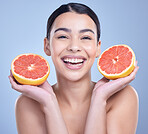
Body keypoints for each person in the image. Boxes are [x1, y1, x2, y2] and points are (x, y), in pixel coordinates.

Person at [8, 2, 139, 134]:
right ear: (47, 46)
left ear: (98, 47)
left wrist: (99, 99)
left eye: (86, 37)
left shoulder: (123, 97)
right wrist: (49, 103)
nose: (74, 47)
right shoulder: (28, 104)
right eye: (63, 36)